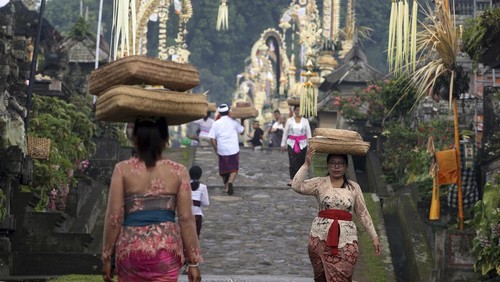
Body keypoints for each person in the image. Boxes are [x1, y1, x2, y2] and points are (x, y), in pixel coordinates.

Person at [102, 116, 202, 282]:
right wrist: (193, 262)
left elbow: (114, 217)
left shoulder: (122, 170)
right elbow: (186, 219)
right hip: (165, 251)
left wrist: (106, 257)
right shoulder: (178, 171)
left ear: (135, 139)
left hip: (130, 251)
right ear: (165, 140)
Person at [291, 148, 381, 281]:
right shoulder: (319, 183)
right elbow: (297, 185)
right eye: (333, 163)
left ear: (346, 166)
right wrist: (306, 164)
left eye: (340, 163)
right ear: (328, 165)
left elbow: (363, 213)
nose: (336, 166)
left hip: (346, 239)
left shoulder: (353, 187)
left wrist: (374, 237)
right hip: (320, 237)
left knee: (342, 277)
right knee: (321, 278)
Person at [208, 104, 245, 195]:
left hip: (222, 149)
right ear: (228, 112)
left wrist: (216, 148)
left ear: (219, 113)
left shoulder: (216, 123)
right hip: (233, 148)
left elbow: (212, 138)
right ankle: (231, 182)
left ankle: (226, 187)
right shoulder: (233, 122)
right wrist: (242, 120)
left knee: (223, 170)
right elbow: (242, 132)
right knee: (233, 168)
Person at [281, 105, 312, 186]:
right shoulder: (289, 121)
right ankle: (292, 179)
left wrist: (310, 144)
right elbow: (285, 133)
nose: (298, 111)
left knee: (301, 161)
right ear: (294, 111)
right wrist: (283, 144)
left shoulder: (305, 121)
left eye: (300, 110)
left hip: (302, 144)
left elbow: (308, 133)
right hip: (292, 143)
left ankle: (299, 180)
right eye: (296, 110)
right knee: (292, 161)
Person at [189, 165, 210, 238]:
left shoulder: (185, 185)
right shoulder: (203, 187)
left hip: (186, 214)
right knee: (195, 236)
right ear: (200, 175)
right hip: (197, 214)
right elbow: (206, 203)